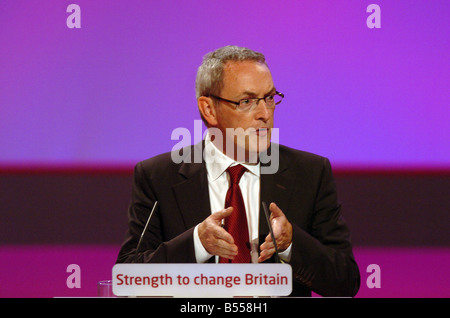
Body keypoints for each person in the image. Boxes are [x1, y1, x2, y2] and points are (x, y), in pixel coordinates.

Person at [116, 45, 360, 297]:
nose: (265, 114)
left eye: (269, 98)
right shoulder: (158, 176)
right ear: (209, 109)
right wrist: (197, 244)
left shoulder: (310, 173)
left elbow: (346, 282)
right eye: (246, 101)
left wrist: (291, 244)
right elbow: (129, 277)